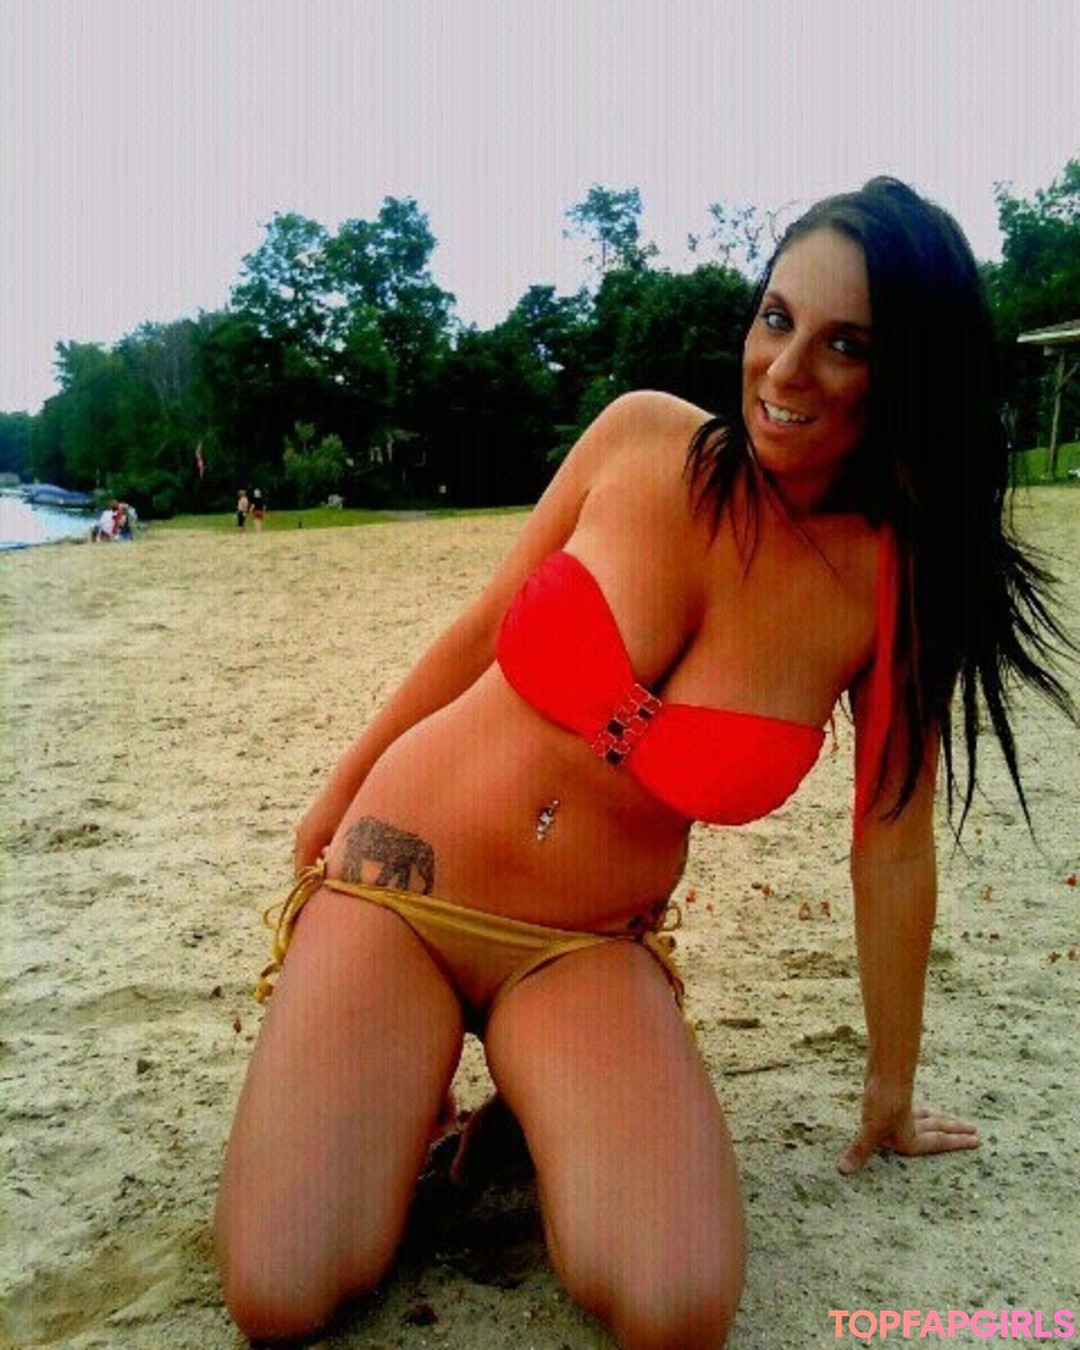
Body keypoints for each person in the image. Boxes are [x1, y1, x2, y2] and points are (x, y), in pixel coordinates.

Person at [215, 179, 1072, 1347]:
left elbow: (891, 842)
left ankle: (524, 1111)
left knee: (677, 1308)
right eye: (776, 318)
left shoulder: (890, 584)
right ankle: (409, 1095)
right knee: (282, 1291)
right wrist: (334, 799)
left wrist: (891, 1087)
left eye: (846, 345)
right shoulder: (638, 437)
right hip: (398, 886)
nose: (785, 370)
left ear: (908, 373)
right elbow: (480, 630)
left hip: (578, 948)